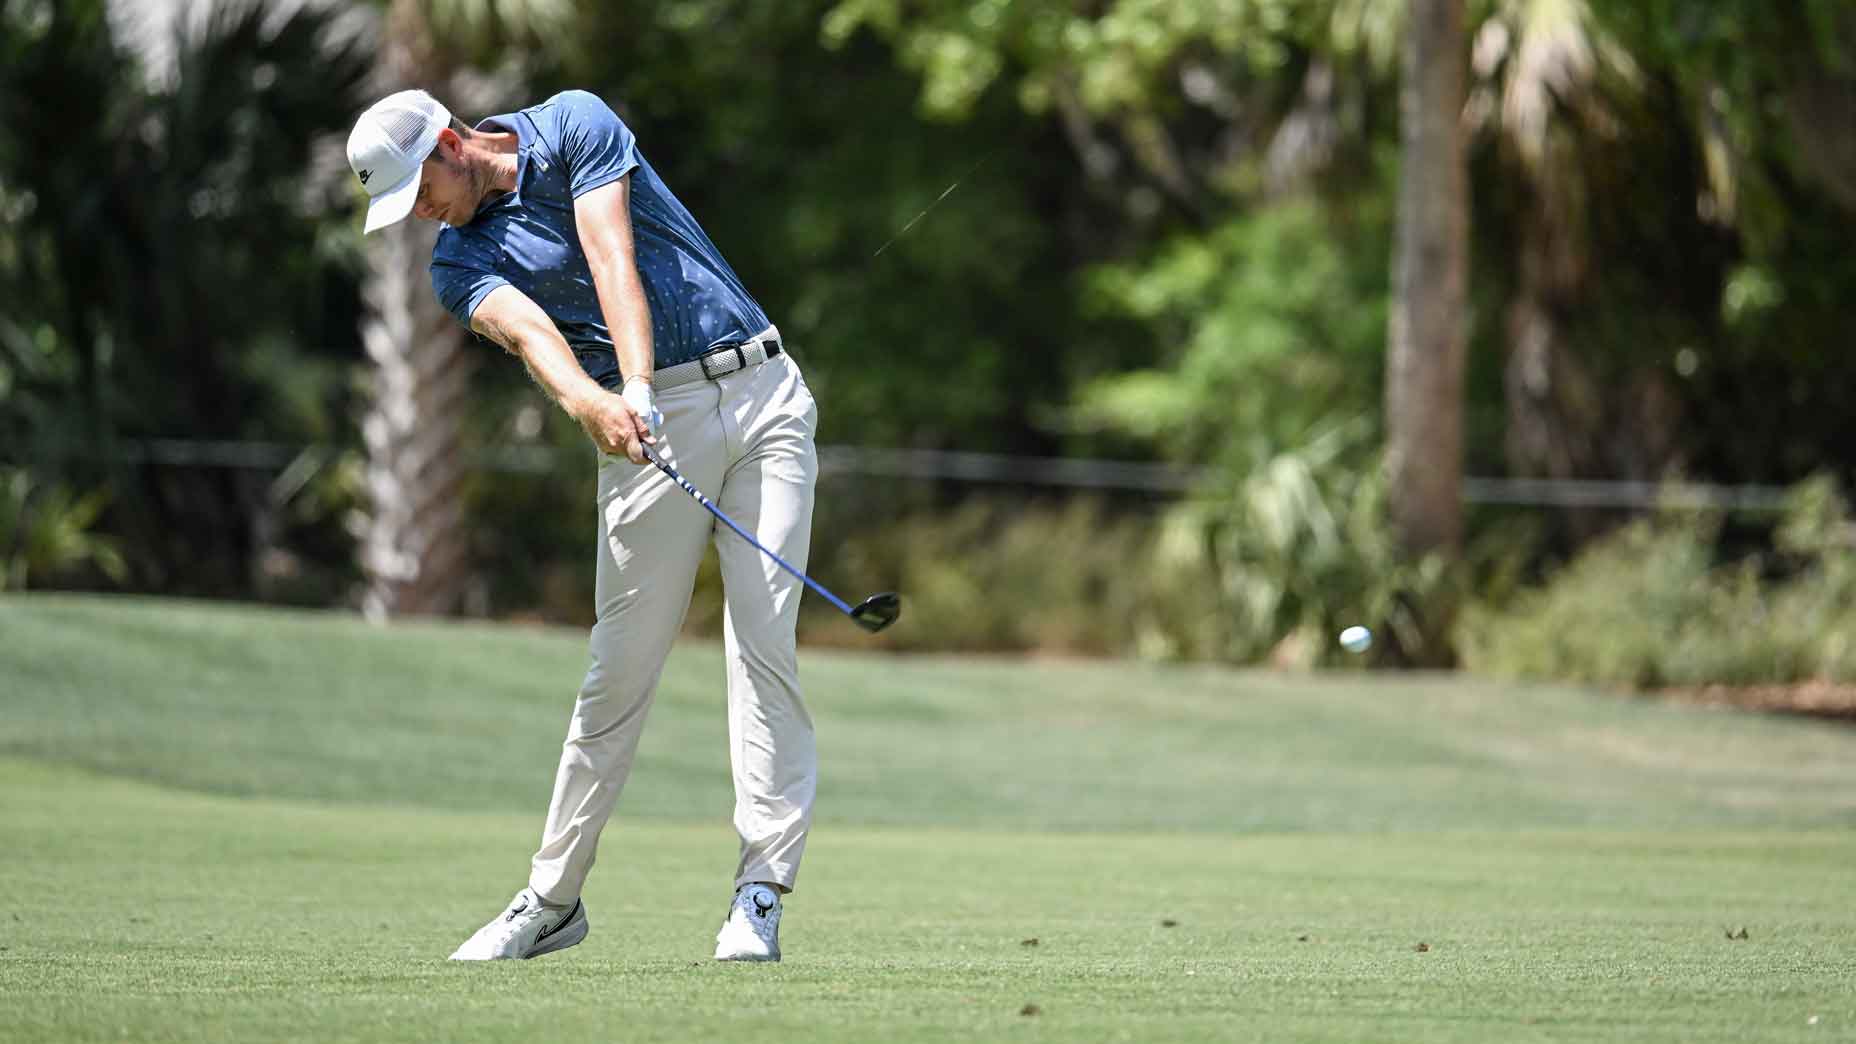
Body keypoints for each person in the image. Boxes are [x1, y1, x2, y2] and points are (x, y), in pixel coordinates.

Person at [345, 88, 819, 962]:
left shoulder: (573, 123)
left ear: (451, 141)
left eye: (420, 189)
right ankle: (552, 900)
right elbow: (533, 337)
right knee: (618, 673)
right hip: (641, 434)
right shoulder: (456, 263)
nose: (421, 213)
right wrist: (593, 404)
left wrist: (632, 387)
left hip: (764, 396)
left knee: (764, 644)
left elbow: (610, 252)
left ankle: (760, 891)